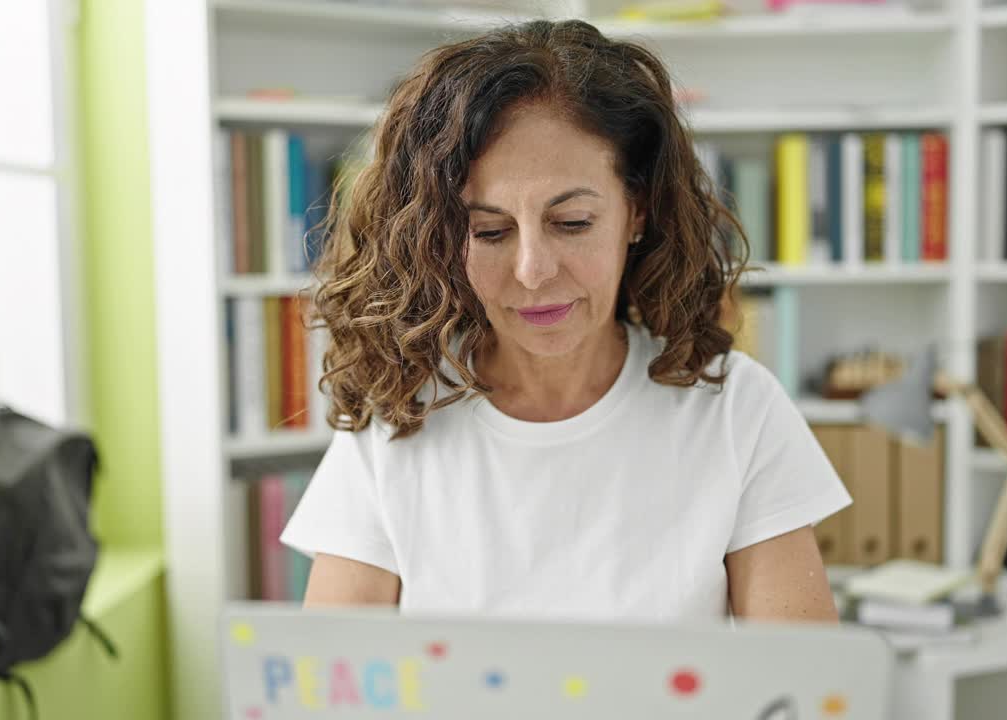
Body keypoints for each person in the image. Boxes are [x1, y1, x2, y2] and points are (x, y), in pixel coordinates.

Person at [280, 19, 850, 622]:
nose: (532, 270)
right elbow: (333, 685)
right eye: (489, 231)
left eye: (572, 222)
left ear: (637, 212)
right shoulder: (397, 419)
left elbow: (803, 692)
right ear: (439, 238)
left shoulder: (736, 410)